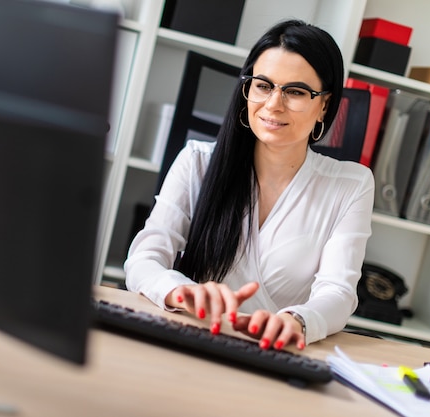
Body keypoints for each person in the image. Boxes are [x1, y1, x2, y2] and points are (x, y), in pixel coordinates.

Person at [124, 19, 374, 351]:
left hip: (274, 353)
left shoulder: (351, 185)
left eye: (296, 92)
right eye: (263, 85)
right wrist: (180, 290)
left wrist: (297, 321)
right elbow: (144, 259)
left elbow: (339, 292)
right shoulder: (197, 162)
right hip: (190, 339)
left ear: (324, 105)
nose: (273, 104)